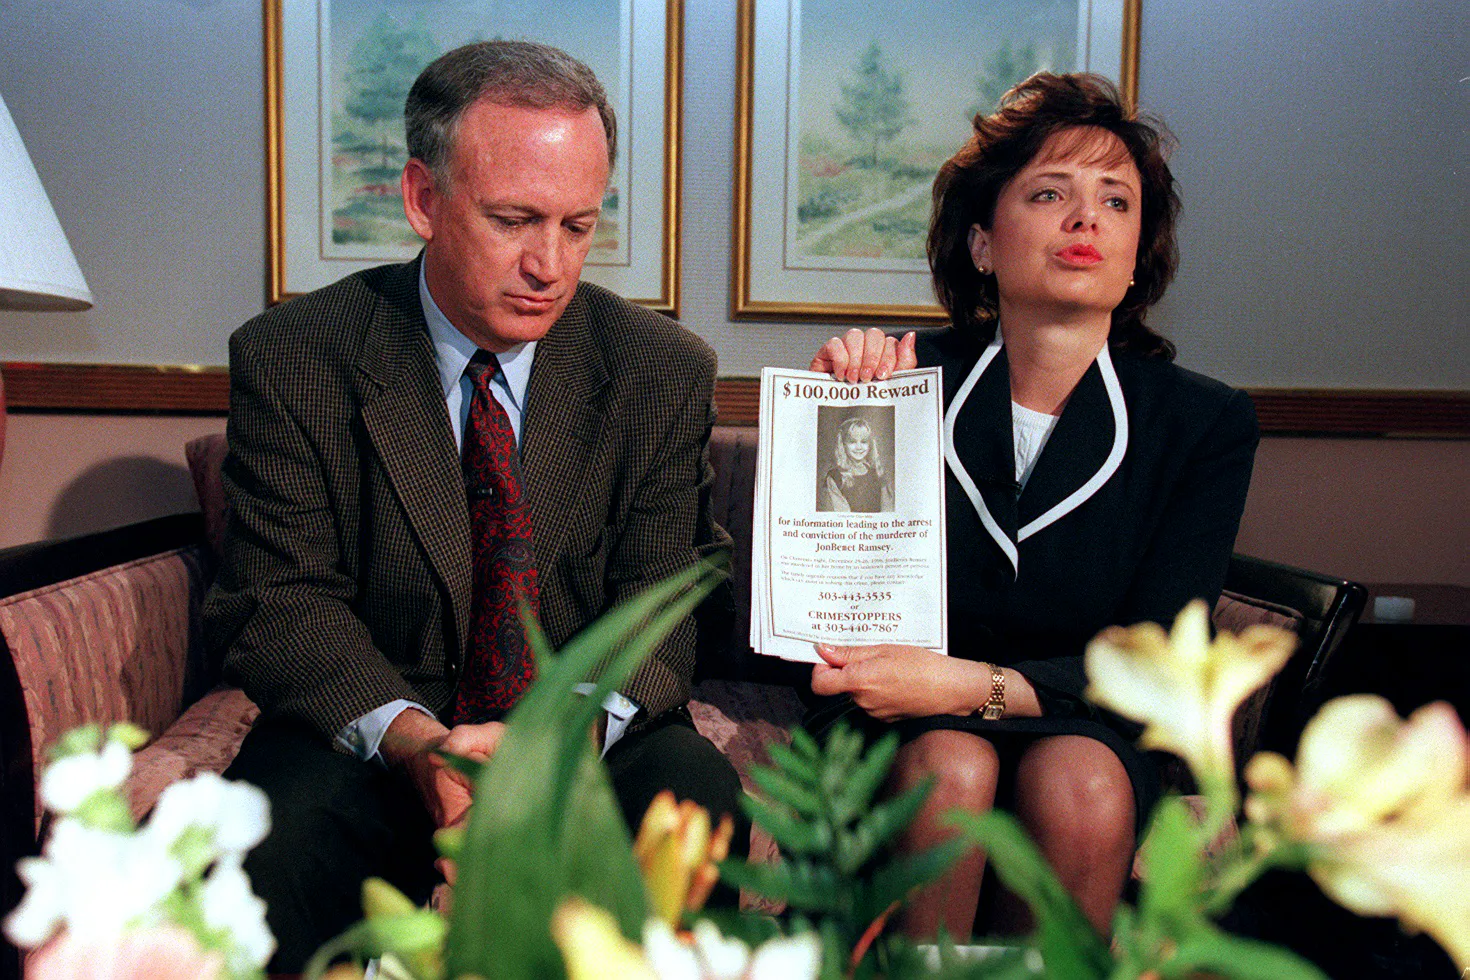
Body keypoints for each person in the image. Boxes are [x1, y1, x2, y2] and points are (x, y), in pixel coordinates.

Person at [204, 41, 743, 970]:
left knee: (692, 791)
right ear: (423, 199)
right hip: (373, 742)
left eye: (579, 226)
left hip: (585, 743)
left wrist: (551, 743)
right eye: (513, 220)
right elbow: (281, 603)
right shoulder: (295, 358)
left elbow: (663, 603)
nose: (550, 264)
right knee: (268, 835)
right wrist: (417, 743)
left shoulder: (659, 371)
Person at [806, 73, 1258, 939]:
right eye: (1050, 193)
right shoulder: (898, 378)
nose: (1086, 220)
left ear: (1137, 255)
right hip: (901, 711)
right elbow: (836, 596)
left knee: (1081, 785)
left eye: (1115, 202)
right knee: (950, 769)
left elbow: (1155, 661)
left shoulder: (1204, 422)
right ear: (982, 243)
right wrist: (840, 404)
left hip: (1082, 718)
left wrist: (970, 683)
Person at [820, 416, 894, 512]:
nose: (859, 447)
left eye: (863, 442)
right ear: (843, 444)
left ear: (870, 444)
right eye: (852, 442)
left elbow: (887, 509)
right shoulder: (835, 477)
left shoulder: (878, 474)